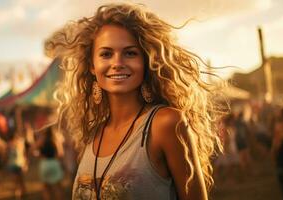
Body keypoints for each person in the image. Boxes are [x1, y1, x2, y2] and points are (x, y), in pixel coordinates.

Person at [46, 3, 225, 200]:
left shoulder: (166, 123)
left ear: (146, 61)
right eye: (106, 54)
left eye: (130, 53)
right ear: (92, 66)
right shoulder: (92, 135)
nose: (117, 63)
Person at [34, 126, 64, 200]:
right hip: (54, 163)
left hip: (44, 164)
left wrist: (40, 155)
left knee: (46, 188)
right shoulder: (55, 140)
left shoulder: (41, 141)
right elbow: (61, 154)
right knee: (57, 187)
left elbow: (33, 150)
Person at [272, 107, 283, 198]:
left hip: (282, 151)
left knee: (281, 175)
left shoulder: (279, 126)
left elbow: (276, 142)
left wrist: (273, 153)